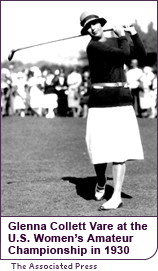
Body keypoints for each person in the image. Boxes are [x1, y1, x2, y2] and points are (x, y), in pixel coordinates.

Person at [80, 11, 146, 210]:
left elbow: (140, 56)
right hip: (101, 102)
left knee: (119, 151)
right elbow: (125, 54)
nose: (92, 28)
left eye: (95, 23)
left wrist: (133, 33)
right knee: (100, 149)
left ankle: (116, 195)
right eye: (88, 26)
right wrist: (122, 36)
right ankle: (101, 179)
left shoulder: (117, 41)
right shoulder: (93, 46)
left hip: (122, 101)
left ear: (101, 23)